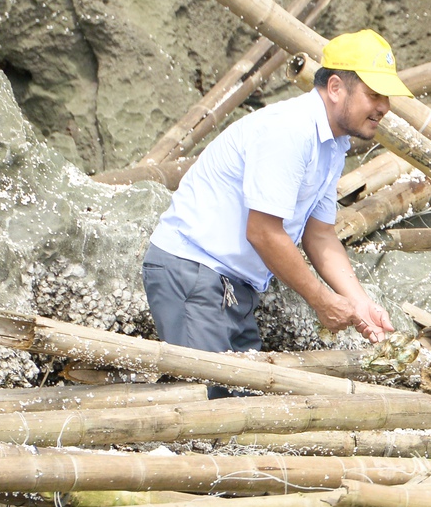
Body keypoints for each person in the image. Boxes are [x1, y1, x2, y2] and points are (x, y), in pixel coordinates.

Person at [142, 30, 407, 370]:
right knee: (210, 402)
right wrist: (321, 299)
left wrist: (360, 304)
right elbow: (263, 233)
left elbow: (320, 234)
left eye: (387, 97)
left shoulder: (331, 145)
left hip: (231, 284)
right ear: (337, 88)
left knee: (245, 403)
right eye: (374, 95)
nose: (384, 107)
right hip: (193, 270)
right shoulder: (290, 131)